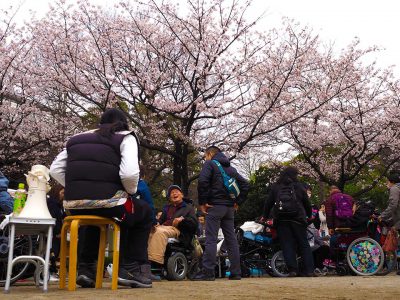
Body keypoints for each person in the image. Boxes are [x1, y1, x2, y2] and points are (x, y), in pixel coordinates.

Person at [50, 108, 153, 288]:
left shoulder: (77, 139)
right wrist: (129, 192)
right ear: (123, 123)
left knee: (92, 218)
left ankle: (85, 269)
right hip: (111, 204)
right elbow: (129, 174)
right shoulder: (125, 136)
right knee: (143, 211)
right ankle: (130, 269)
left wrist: (77, 187)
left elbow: (55, 169)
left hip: (75, 204)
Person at [193, 146, 249, 281]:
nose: (205, 159)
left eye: (205, 156)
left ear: (209, 154)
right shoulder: (231, 169)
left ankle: (208, 273)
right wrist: (237, 202)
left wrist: (203, 202)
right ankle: (236, 272)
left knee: (211, 238)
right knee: (231, 240)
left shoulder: (210, 164)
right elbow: (246, 185)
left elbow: (202, 181)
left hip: (215, 207)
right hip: (229, 209)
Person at [263, 166, 314, 277]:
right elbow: (306, 203)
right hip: (298, 219)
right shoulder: (299, 186)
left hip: (282, 219)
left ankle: (292, 270)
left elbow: (268, 203)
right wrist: (309, 215)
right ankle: (309, 270)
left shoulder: (276, 187)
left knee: (287, 244)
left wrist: (265, 216)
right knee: (303, 244)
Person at [148, 185, 197, 265]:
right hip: (163, 227)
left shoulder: (188, 208)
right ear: (170, 197)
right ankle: (144, 259)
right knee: (149, 231)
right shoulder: (166, 208)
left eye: (176, 192)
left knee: (160, 232)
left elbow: (194, 223)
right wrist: (157, 223)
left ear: (182, 195)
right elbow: (161, 220)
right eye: (172, 193)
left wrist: (182, 220)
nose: (174, 193)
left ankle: (154, 261)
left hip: (177, 229)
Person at [379, 170, 400, 275]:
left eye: (387, 182)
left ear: (391, 181)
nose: (387, 184)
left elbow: (393, 205)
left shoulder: (394, 189)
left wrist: (382, 216)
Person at [46, 183, 66, 281]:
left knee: (55, 252)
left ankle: (51, 272)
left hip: (57, 233)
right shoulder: (52, 203)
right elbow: (54, 218)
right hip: (53, 233)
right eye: (62, 193)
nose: (63, 195)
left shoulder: (60, 205)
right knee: (52, 252)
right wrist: (57, 231)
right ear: (56, 192)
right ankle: (49, 273)